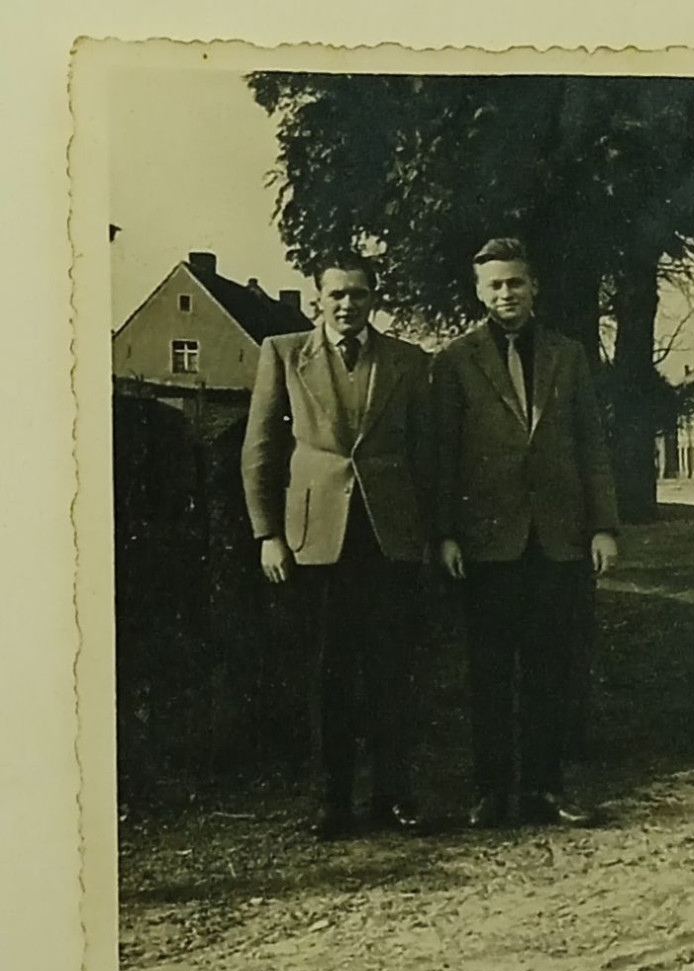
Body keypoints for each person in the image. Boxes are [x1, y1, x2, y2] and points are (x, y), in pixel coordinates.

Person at [241, 252, 432, 838]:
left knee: (390, 671)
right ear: (318, 297)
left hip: (388, 537)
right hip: (314, 539)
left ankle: (393, 795)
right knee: (329, 673)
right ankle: (332, 801)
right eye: (337, 295)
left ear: (374, 298)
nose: (348, 305)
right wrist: (268, 533)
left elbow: (428, 454)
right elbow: (260, 450)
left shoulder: (405, 360)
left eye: (359, 294)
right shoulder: (284, 352)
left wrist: (428, 533)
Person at [433, 237, 619, 829]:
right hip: (487, 542)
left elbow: (592, 446)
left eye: (515, 282)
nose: (506, 294)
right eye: (494, 285)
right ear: (479, 291)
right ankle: (490, 792)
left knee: (550, 668)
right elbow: (443, 457)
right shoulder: (455, 359)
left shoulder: (568, 355)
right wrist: (446, 534)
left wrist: (603, 527)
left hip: (557, 538)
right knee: (488, 671)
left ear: (533, 286)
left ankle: (545, 789)